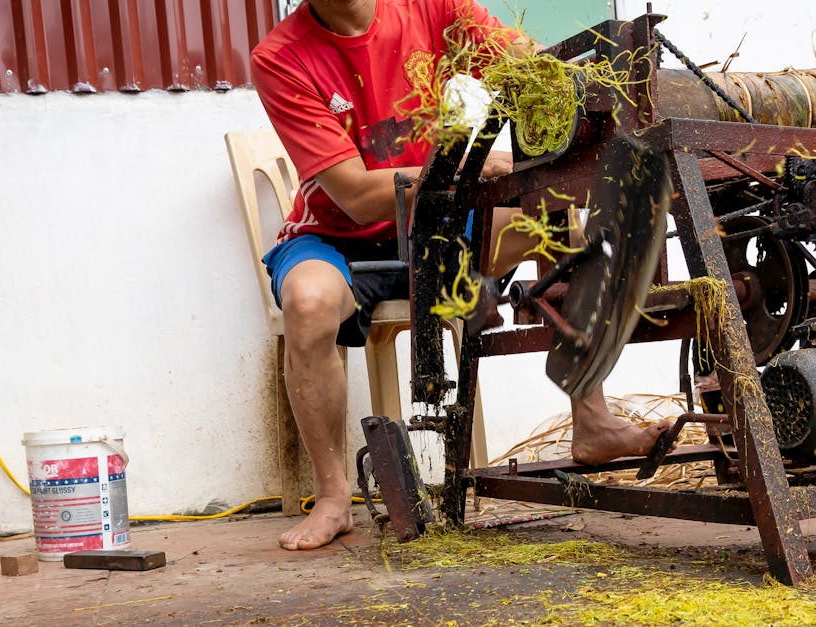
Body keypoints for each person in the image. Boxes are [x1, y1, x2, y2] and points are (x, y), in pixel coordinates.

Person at [250, 0, 670, 551]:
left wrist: (578, 94)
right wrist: (468, 168)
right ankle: (333, 497)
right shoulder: (281, 57)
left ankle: (593, 423)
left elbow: (530, 67)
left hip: (444, 222)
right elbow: (353, 195)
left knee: (563, 222)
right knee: (307, 304)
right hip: (339, 238)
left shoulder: (434, 7)